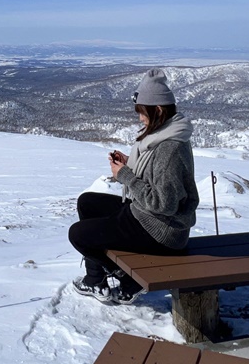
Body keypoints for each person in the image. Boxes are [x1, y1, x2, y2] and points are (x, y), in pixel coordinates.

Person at [68, 68, 199, 305]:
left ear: (158, 110)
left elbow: (164, 204)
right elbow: (158, 178)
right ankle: (95, 279)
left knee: (78, 235)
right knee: (87, 202)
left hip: (160, 231)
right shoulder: (165, 135)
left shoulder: (169, 148)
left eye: (142, 112)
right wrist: (129, 164)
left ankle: (130, 280)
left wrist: (125, 175)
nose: (140, 118)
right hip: (148, 216)